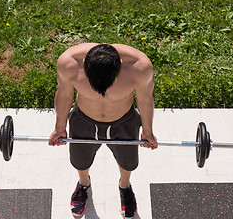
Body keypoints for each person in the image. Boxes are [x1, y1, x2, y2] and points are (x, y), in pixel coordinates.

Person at [49, 43, 158, 218]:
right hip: (84, 119)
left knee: (128, 162)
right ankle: (84, 184)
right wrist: (59, 128)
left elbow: (145, 99)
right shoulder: (69, 63)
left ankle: (125, 186)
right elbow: (64, 94)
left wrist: (147, 130)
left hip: (124, 122)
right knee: (80, 160)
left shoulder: (139, 67)